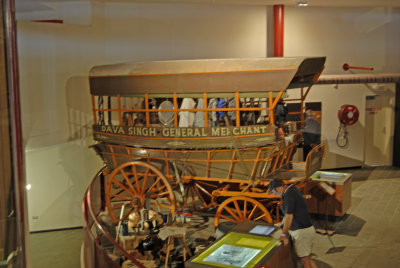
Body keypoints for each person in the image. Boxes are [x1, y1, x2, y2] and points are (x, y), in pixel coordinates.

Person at [269, 178, 318, 268]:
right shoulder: (292, 189)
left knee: (304, 260)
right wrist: (281, 223)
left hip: (301, 231)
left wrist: (283, 235)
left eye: (274, 192)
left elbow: (289, 216)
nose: (274, 194)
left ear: (279, 188)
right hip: (306, 229)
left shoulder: (288, 196)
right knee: (307, 258)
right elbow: (288, 211)